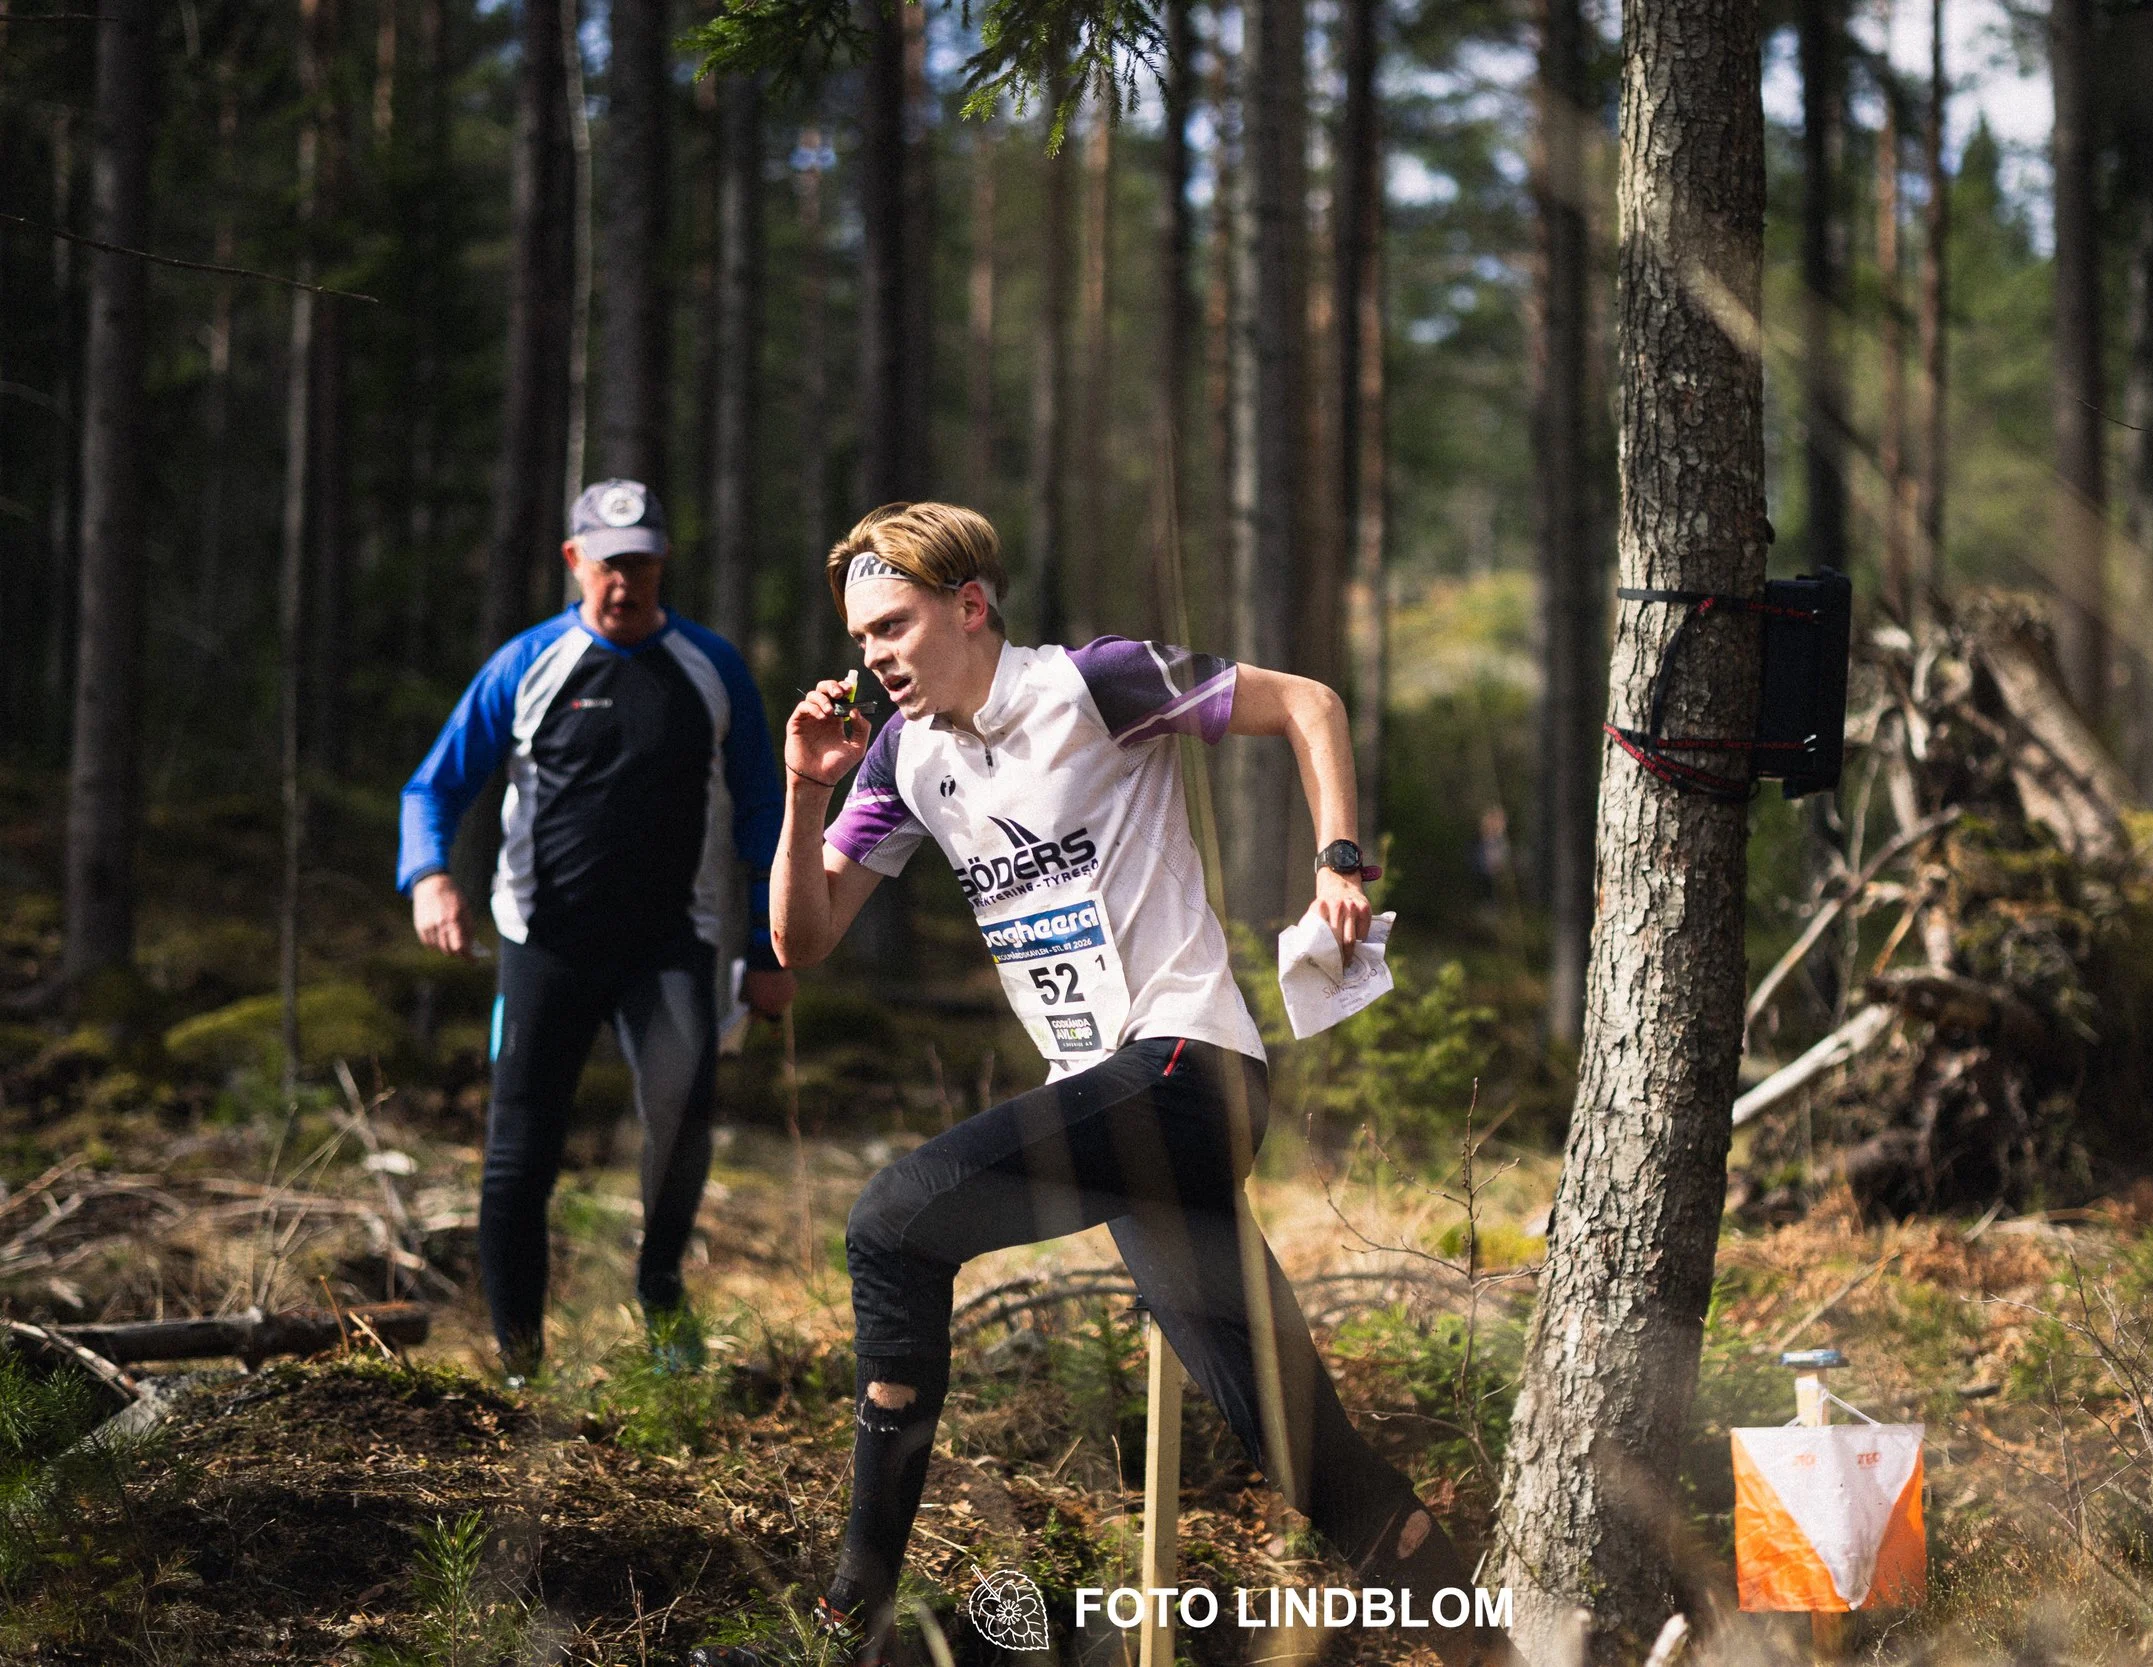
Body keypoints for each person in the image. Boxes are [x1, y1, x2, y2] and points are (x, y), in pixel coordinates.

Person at [695, 502, 1510, 1667]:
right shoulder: (909, 756)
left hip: (1187, 1068)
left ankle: (848, 1624)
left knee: (890, 1224)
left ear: (969, 607)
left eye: (894, 625)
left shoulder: (1096, 684)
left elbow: (1309, 704)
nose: (874, 655)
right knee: (1302, 1450)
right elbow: (802, 942)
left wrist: (1340, 858)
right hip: (1115, 1107)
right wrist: (802, 788)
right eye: (861, 635)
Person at [397, 478, 796, 1383]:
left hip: (673, 946)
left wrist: (771, 952)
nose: (628, 582)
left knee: (683, 1125)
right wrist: (429, 878)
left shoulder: (710, 665)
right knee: (519, 1153)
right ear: (575, 560)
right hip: (546, 943)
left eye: (643, 562)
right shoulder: (526, 664)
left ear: (664, 563)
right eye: (611, 564)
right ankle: (520, 1359)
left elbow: (764, 811)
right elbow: (433, 785)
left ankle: (659, 1290)